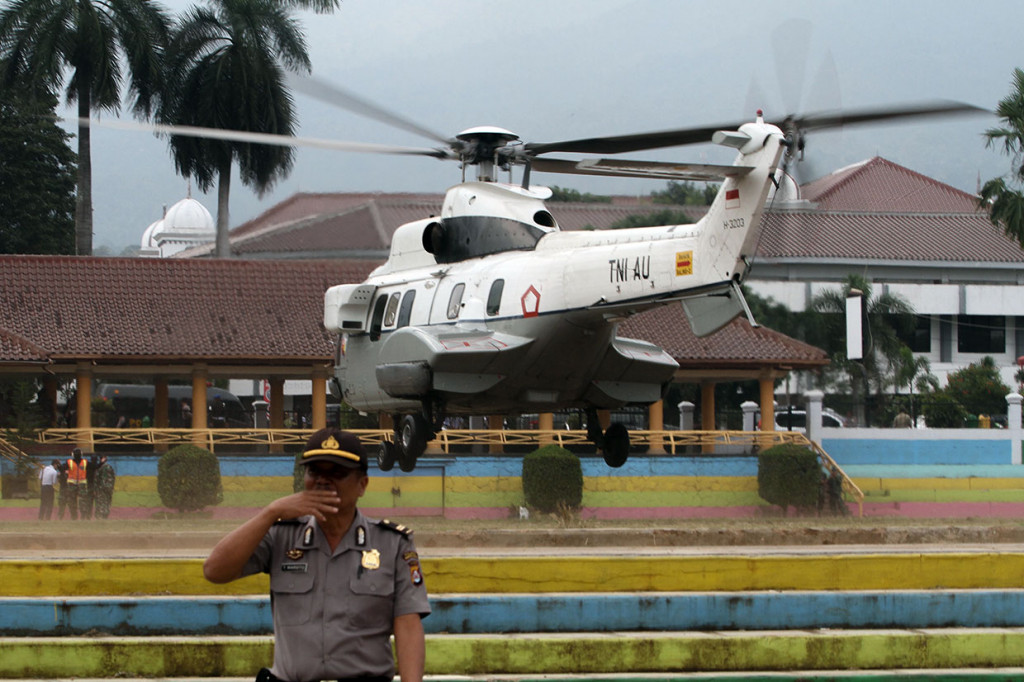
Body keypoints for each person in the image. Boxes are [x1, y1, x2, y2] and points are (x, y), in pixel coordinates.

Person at [204, 428, 429, 682]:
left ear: (362, 485)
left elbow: (408, 624)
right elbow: (215, 571)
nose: (323, 481)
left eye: (337, 473)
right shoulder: (281, 535)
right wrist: (271, 512)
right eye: (314, 472)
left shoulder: (392, 543)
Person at [64, 448, 87, 520]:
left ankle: (74, 516)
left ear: (72, 454)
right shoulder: (85, 462)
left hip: (72, 485)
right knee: (82, 501)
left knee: (72, 501)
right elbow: (93, 467)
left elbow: (62, 468)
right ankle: (82, 517)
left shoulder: (69, 462)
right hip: (81, 485)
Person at [93, 455, 116, 519]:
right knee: (106, 503)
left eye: (102, 458)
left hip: (102, 489)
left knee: (101, 503)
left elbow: (96, 479)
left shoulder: (100, 468)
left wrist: (96, 489)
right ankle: (104, 516)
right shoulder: (108, 467)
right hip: (106, 489)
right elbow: (113, 478)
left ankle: (101, 516)